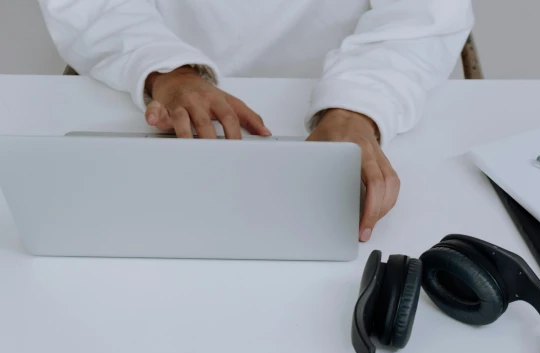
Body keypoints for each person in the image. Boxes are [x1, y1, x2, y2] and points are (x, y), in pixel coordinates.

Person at [37, 0, 475, 242]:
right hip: (152, 76)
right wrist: (168, 71)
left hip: (355, 88)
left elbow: (423, 17)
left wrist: (356, 108)